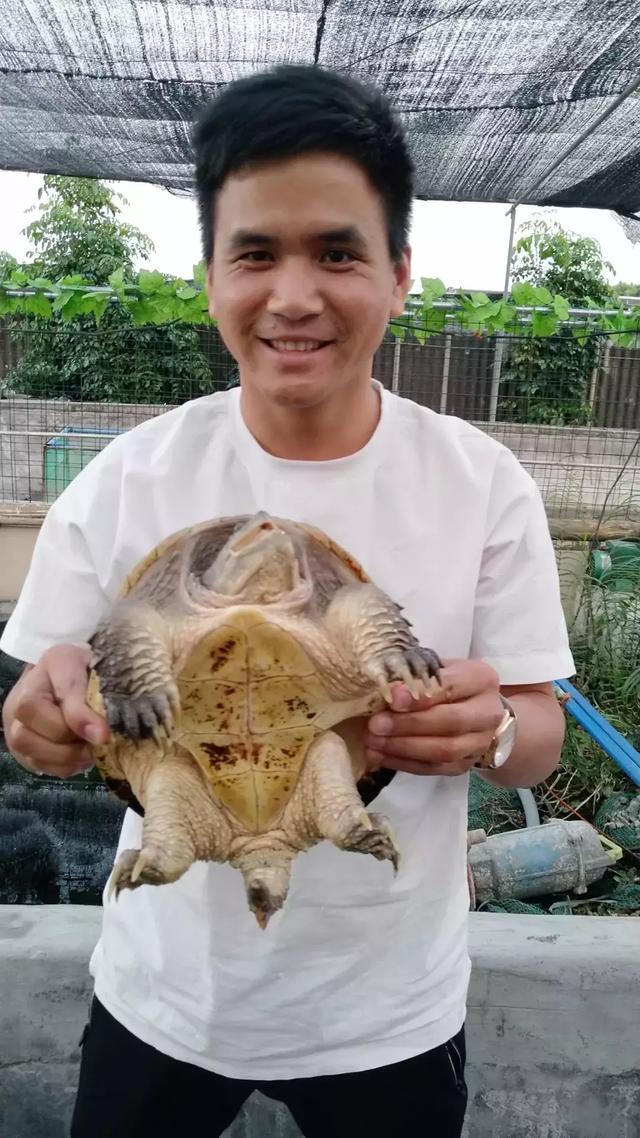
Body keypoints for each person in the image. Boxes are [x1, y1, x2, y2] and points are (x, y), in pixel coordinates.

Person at [1, 64, 574, 1138]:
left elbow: (535, 733)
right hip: (164, 994)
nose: (295, 294)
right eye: (256, 253)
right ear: (210, 276)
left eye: (338, 252)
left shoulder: (481, 481)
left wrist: (490, 725)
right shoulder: (131, 477)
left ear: (401, 272)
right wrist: (42, 720)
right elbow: (51, 689)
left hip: (385, 1012)